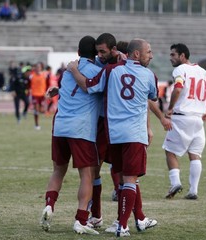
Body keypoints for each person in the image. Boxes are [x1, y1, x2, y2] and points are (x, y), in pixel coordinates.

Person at [67, 38, 160, 237]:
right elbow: (152, 97)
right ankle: (121, 224)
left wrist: (73, 70)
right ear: (136, 54)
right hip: (134, 133)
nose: (151, 55)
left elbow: (89, 86)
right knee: (128, 179)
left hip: (113, 134)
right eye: (149, 52)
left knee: (120, 177)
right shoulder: (149, 74)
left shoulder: (110, 71)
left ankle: (136, 218)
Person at [40, 35, 101, 235]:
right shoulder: (98, 71)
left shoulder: (67, 72)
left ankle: (49, 206)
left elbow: (69, 88)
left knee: (58, 170)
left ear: (78, 52)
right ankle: (81, 219)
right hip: (81, 128)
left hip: (60, 125)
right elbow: (88, 86)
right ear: (97, 52)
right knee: (87, 174)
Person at [163, 43, 206, 200]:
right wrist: (205, 111)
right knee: (195, 154)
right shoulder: (202, 71)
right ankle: (193, 191)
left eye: (173, 55)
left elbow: (178, 88)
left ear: (182, 56)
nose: (170, 58)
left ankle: (175, 183)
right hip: (197, 119)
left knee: (170, 151)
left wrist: (170, 108)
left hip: (182, 116)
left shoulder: (180, 70)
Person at [29, 62, 47, 130]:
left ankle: (39, 114)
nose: (38, 68)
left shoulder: (44, 75)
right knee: (36, 109)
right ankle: (36, 125)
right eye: (37, 67)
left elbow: (47, 84)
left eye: (39, 67)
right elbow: (28, 84)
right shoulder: (32, 76)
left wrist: (47, 92)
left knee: (41, 110)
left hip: (42, 95)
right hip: (35, 94)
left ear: (41, 68)